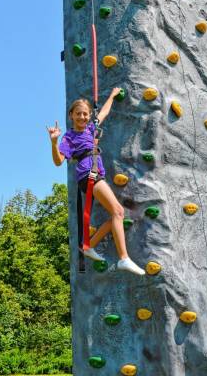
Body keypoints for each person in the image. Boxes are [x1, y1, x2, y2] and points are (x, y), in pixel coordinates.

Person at [47, 88, 145, 275]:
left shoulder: (91, 128)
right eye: (78, 114)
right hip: (88, 174)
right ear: (71, 116)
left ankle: (89, 245)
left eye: (85, 114)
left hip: (94, 174)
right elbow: (59, 161)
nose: (82, 117)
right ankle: (124, 258)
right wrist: (53, 142)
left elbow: (104, 113)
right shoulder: (69, 137)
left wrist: (112, 96)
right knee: (118, 211)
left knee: (116, 216)